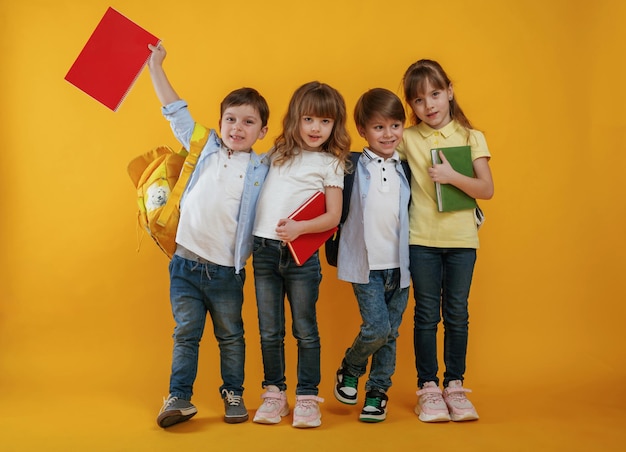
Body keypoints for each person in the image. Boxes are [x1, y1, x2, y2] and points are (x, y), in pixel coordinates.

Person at [146, 44, 270, 428]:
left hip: (225, 273)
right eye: (230, 119)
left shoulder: (262, 168)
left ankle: (233, 392)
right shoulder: (205, 148)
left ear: (262, 131)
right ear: (220, 123)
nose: (237, 127)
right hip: (184, 264)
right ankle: (179, 398)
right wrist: (155, 65)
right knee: (186, 334)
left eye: (248, 122)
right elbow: (175, 111)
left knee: (231, 336)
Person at [397, 59, 494, 423]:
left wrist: (452, 176)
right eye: (419, 100)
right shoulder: (407, 137)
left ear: (449, 91)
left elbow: (486, 189)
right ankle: (428, 388)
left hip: (462, 240)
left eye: (435, 94)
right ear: (412, 105)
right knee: (425, 315)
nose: (430, 106)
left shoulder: (471, 137)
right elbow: (380, 154)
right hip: (420, 239)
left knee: (457, 313)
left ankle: (455, 384)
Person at [251, 81, 351, 428]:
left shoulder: (330, 163)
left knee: (305, 328)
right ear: (295, 118)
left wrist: (298, 228)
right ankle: (274, 394)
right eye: (308, 119)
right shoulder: (277, 153)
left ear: (335, 126)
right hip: (263, 251)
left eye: (325, 122)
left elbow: (333, 216)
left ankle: (307, 397)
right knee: (269, 330)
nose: (315, 128)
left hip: (300, 256)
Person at [332, 88, 411, 423]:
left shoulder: (407, 168)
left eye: (395, 125)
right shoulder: (348, 165)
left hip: (403, 266)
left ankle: (377, 393)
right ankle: (351, 364)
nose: (388, 134)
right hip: (365, 265)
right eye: (379, 127)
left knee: (391, 332)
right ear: (362, 130)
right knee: (378, 328)